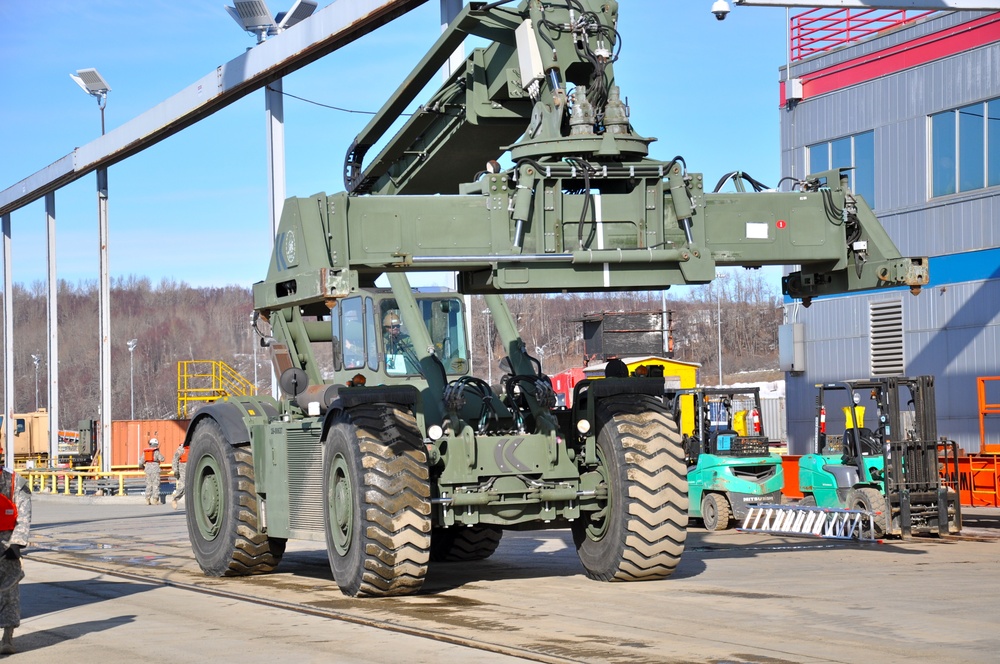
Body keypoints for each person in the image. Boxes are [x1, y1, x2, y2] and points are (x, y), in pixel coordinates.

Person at [0, 469, 31, 655]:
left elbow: (24, 513)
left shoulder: (15, 481)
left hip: (7, 544)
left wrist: (17, 543)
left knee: (9, 592)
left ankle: (7, 637)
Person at [141, 434, 165, 505]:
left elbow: (140, 462)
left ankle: (147, 499)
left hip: (148, 469)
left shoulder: (145, 452)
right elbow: (162, 459)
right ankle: (155, 499)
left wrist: (144, 467)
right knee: (156, 484)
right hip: (155, 469)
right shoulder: (156, 452)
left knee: (148, 484)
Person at [170, 444, 188, 510]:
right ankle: (175, 499)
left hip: (193, 468)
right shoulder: (181, 448)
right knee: (182, 486)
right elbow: (175, 459)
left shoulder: (196, 446)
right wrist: (175, 470)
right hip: (183, 469)